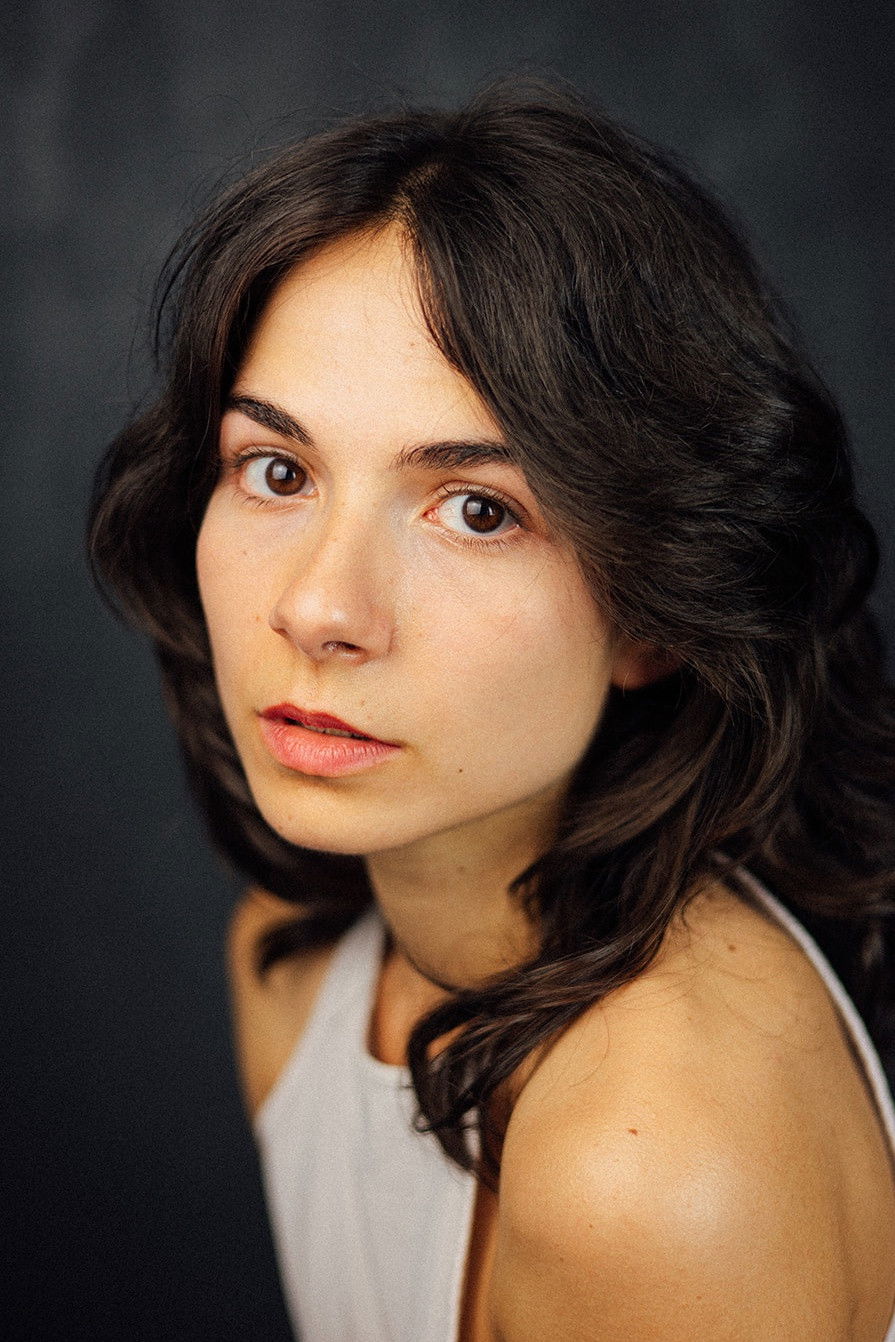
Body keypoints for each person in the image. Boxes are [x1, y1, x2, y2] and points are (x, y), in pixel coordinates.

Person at [88, 75, 895, 1341]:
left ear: (655, 611)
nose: (319, 607)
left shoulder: (657, 1159)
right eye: (277, 470)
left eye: (477, 510)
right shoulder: (294, 966)